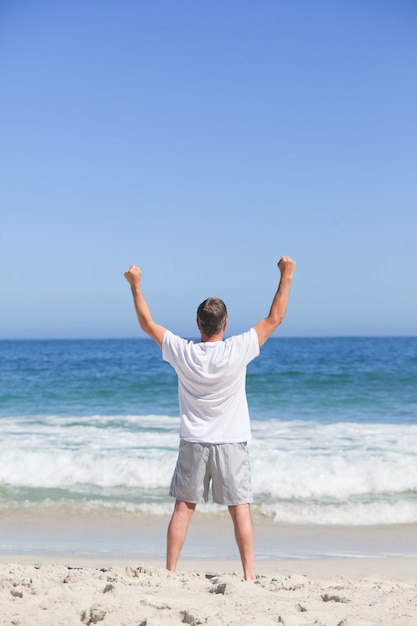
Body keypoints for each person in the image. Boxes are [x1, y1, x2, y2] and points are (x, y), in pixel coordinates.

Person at [124, 256, 296, 580]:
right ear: (226, 325)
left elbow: (147, 324)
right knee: (239, 509)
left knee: (183, 509)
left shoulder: (184, 351)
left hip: (194, 441)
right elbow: (276, 317)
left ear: (198, 324)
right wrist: (286, 276)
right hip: (231, 441)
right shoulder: (237, 349)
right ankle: (248, 575)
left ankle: (171, 572)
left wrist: (135, 285)